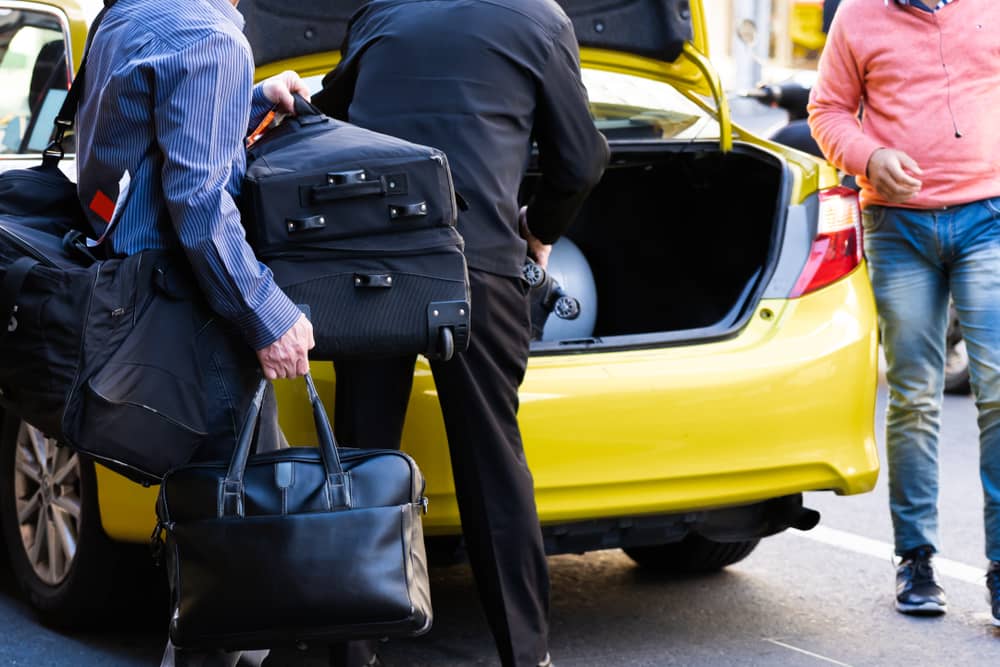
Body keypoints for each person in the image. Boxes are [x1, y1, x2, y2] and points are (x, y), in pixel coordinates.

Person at [311, 1, 609, 665]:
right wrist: (539, 229)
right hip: (475, 264)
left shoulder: (381, 13)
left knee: (361, 458)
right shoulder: (537, 18)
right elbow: (582, 158)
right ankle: (524, 653)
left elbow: (323, 124)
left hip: (372, 266)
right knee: (492, 464)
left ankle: (350, 649)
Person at [74, 0, 315, 664]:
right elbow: (202, 203)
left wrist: (253, 98)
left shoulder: (130, 16)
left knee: (221, 528)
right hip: (192, 315)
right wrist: (269, 316)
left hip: (135, 298)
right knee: (232, 540)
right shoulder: (208, 39)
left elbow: (157, 140)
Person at [808, 0, 1000, 625]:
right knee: (914, 395)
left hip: (988, 221)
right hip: (898, 229)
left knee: (998, 394)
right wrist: (866, 156)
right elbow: (827, 109)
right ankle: (915, 560)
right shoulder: (858, 15)